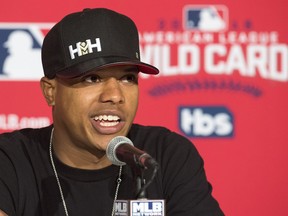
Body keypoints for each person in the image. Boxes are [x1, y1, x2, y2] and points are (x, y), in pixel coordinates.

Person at [0, 8, 224, 216]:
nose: (115, 95)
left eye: (128, 78)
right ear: (50, 91)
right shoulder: (10, 159)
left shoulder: (164, 156)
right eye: (92, 78)